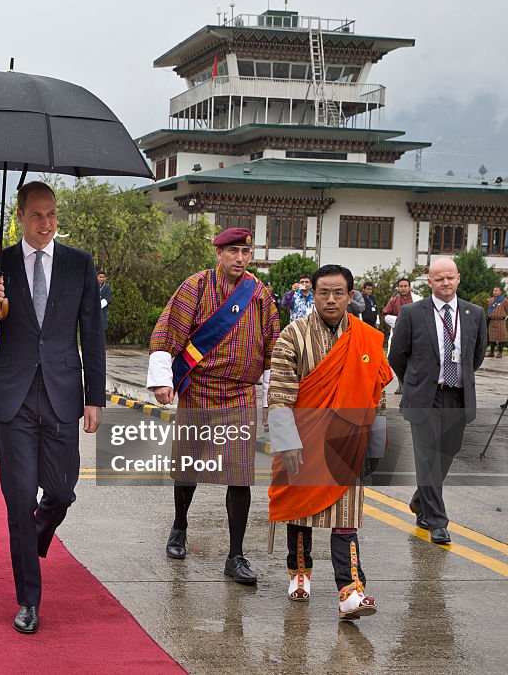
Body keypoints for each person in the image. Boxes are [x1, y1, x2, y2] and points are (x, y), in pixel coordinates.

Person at [0, 181, 105, 634]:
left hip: (64, 394)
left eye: (51, 215)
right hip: (14, 399)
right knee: (18, 501)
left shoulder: (78, 265)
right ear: (21, 217)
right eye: (36, 215)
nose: (45, 223)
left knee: (62, 492)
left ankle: (38, 534)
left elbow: (93, 333)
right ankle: (28, 599)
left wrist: (94, 396)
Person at [147, 227, 279, 585]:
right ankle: (179, 526)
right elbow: (168, 330)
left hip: (240, 394)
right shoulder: (196, 286)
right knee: (188, 464)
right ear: (218, 253)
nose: (240, 258)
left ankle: (235, 555)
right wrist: (163, 380)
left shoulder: (260, 296)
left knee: (239, 475)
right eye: (233, 251)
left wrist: (272, 399)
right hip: (200, 388)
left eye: (245, 252)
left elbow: (273, 348)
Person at [268, 265, 393, 619]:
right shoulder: (293, 335)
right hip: (302, 438)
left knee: (345, 515)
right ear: (313, 294)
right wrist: (286, 442)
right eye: (324, 292)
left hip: (348, 440)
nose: (331, 299)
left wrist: (376, 442)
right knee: (300, 507)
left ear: (350, 296)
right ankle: (299, 571)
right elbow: (278, 394)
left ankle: (350, 589)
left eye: (339, 292)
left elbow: (376, 394)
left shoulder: (367, 337)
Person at [388, 258, 486, 546]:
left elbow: (475, 356)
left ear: (458, 279)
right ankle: (438, 522)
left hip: (457, 396)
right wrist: (415, 383)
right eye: (439, 278)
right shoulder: (412, 313)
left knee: (447, 453)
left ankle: (421, 501)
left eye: (450, 278)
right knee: (428, 456)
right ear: (429, 282)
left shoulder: (474, 313)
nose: (445, 283)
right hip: (424, 398)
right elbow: (397, 356)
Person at [382, 277, 419, 393]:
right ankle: (401, 383)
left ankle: (412, 384)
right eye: (401, 286)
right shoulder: (393, 301)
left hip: (415, 334)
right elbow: (385, 315)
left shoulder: (417, 300)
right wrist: (399, 321)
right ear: (398, 288)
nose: (403, 288)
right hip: (398, 334)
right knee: (397, 359)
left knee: (413, 359)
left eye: (405, 286)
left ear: (409, 287)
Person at [485, 285, 507, 358]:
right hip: (492, 321)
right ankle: (491, 352)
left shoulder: (504, 300)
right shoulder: (490, 300)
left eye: (496, 290)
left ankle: (500, 352)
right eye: (494, 290)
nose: (495, 292)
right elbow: (488, 310)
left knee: (501, 337)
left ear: (500, 292)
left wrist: (504, 316)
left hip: (500, 321)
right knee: (492, 338)